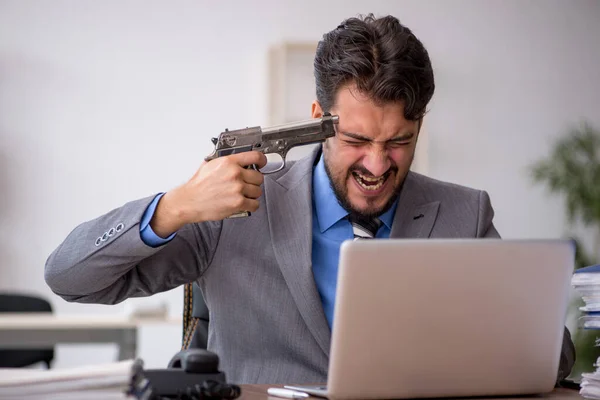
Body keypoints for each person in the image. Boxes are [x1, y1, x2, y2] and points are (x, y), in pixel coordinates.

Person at [44, 14, 575, 385]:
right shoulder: (234, 207)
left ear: (420, 126)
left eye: (398, 142)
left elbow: (554, 361)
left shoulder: (465, 214)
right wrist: (176, 206)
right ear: (319, 117)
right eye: (356, 140)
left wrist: (485, 313)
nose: (376, 164)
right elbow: (68, 277)